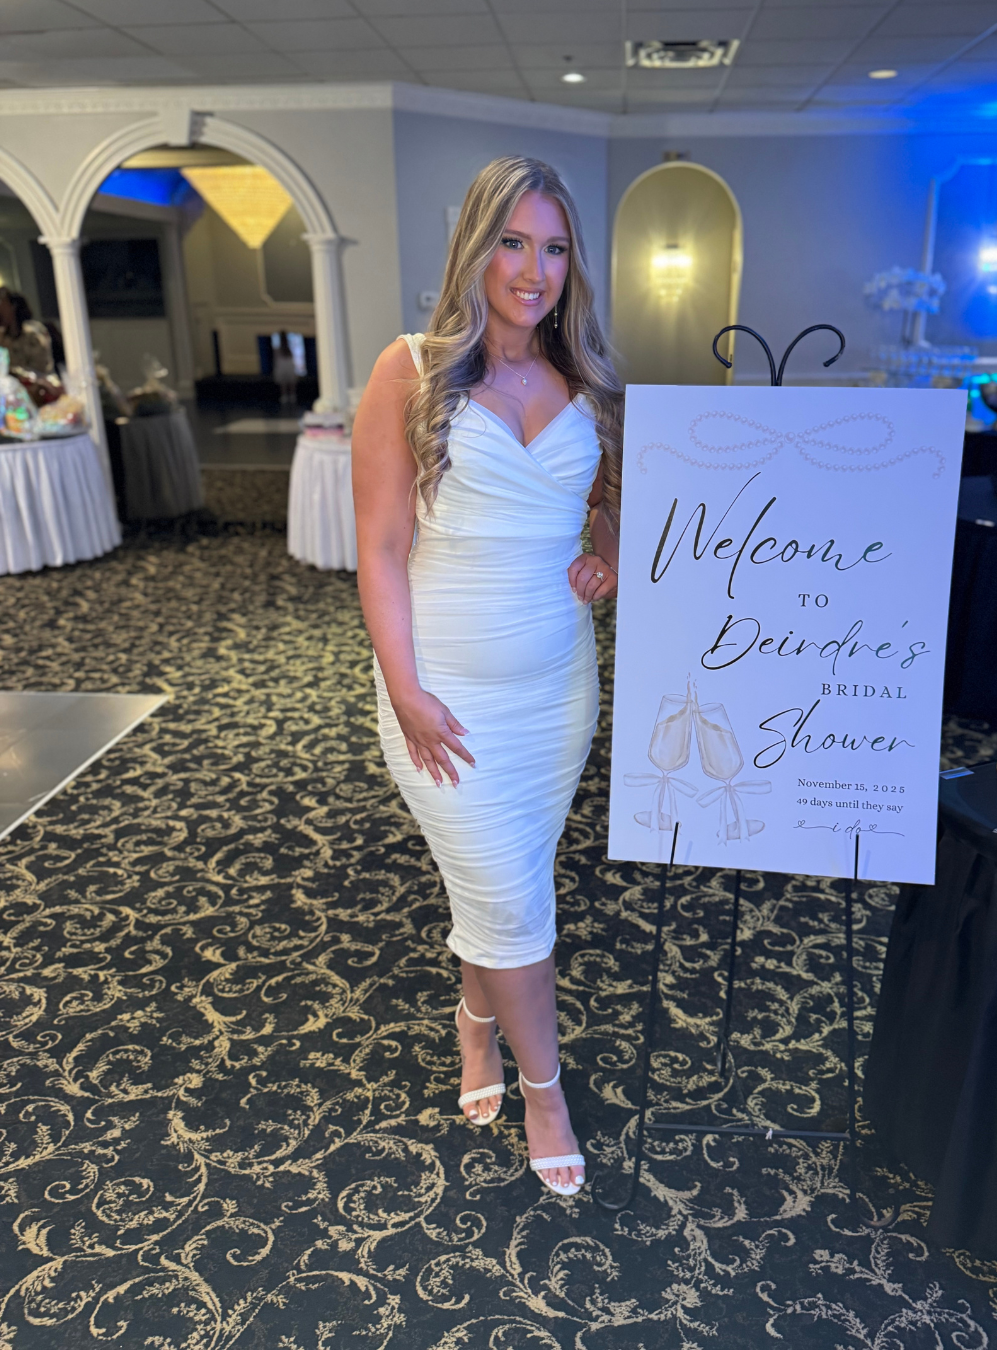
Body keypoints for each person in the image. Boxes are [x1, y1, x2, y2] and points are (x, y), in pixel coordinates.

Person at [352, 157, 621, 1197]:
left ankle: (476, 1023)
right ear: (476, 245)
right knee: (512, 898)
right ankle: (545, 1091)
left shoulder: (588, 377)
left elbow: (603, 500)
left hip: (557, 693)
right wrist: (406, 690)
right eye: (514, 241)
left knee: (503, 887)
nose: (534, 269)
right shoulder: (409, 371)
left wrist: (600, 545)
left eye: (554, 248)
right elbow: (378, 548)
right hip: (443, 696)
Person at [0, 288, 54, 375]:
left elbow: (41, 369)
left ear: (13, 306)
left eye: (2, 304)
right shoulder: (1, 337)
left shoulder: (32, 334)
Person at [273, 330, 297, 407]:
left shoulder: (283, 348)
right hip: (285, 365)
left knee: (286, 382)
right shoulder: (281, 348)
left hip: (284, 365)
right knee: (287, 382)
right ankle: (289, 396)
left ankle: (288, 396)